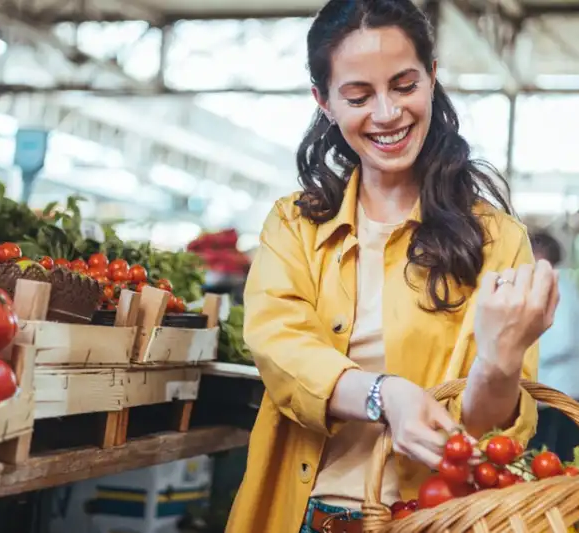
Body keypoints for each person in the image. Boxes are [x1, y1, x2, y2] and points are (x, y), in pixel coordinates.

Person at [225, 1, 560, 531]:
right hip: (307, 516)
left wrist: (500, 360)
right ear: (325, 102)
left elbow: (486, 434)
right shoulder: (293, 226)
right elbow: (279, 346)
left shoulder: (497, 240)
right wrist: (384, 395)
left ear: (431, 77)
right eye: (359, 96)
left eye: (404, 86)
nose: (386, 114)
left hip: (432, 518)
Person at [525, 232, 579, 462]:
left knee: (549, 455)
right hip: (556, 386)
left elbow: (563, 340)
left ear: (541, 255)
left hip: (557, 387)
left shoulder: (560, 286)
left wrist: (523, 352)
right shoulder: (562, 284)